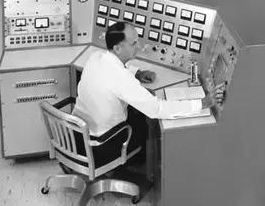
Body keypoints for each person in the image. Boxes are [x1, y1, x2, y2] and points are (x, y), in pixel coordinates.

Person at [71, 21, 225, 168]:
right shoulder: (121, 78)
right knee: (146, 123)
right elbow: (157, 109)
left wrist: (137, 73)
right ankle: (142, 168)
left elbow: (113, 72)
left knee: (135, 111)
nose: (139, 46)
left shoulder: (96, 57)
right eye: (133, 44)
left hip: (76, 133)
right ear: (117, 48)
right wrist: (202, 103)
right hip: (100, 145)